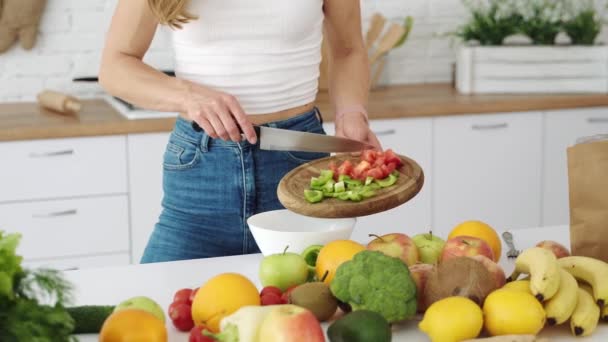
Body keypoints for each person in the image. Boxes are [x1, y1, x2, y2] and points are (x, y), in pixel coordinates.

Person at [99, 0, 381, 263]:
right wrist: (187, 96)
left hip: (297, 166)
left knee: (311, 311)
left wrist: (351, 112)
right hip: (200, 173)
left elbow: (348, 49)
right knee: (151, 308)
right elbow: (116, 65)